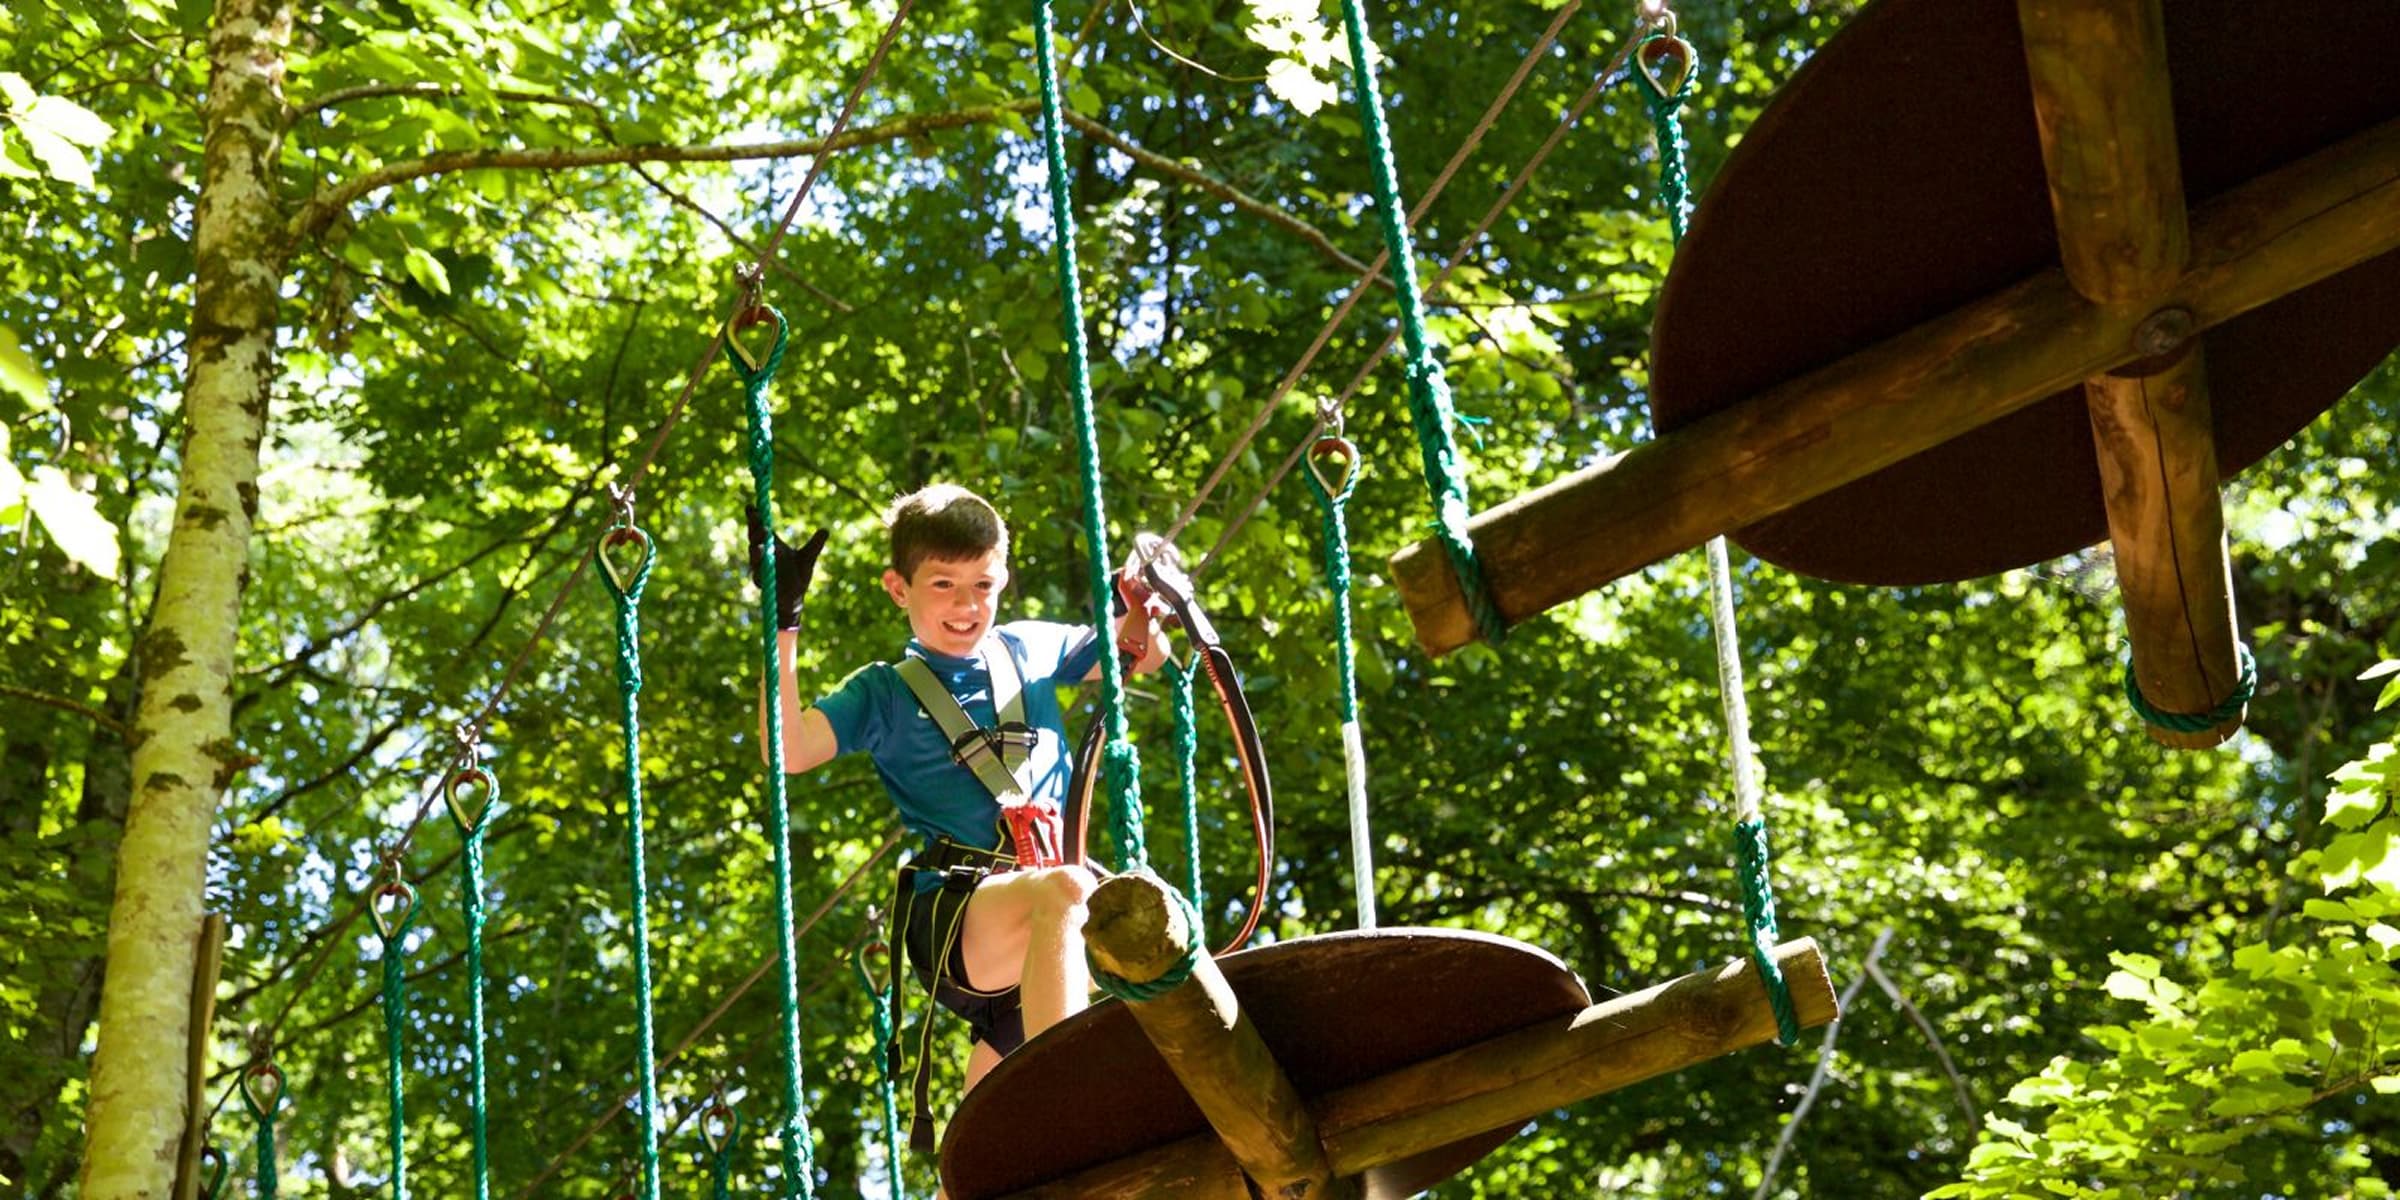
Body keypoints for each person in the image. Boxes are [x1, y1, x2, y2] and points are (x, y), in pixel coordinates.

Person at [750, 482, 1168, 1149]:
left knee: (981, 1159)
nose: (967, 605)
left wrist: (1144, 605)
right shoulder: (883, 693)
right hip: (960, 918)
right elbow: (791, 750)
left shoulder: (1029, 649)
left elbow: (1138, 655)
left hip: (1043, 939)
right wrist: (784, 624)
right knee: (1072, 892)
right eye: (943, 584)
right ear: (898, 588)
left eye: (984, 584)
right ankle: (1075, 1111)